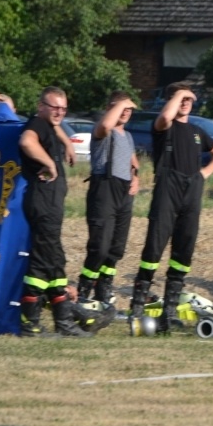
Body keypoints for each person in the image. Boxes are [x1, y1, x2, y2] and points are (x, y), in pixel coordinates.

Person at [128, 82, 213, 332]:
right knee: (154, 248)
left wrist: (204, 174)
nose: (185, 103)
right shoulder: (164, 127)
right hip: (167, 190)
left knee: (184, 250)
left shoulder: (197, 132)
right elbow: (164, 117)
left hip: (191, 191)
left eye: (189, 99)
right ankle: (137, 307)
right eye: (180, 99)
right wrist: (182, 92)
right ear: (171, 101)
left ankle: (169, 311)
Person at [18, 86, 89, 337]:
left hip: (51, 203)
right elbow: (26, 140)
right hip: (42, 201)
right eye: (54, 107)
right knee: (41, 264)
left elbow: (55, 125)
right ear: (40, 106)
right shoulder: (37, 123)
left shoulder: (48, 124)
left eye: (63, 108)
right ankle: (30, 325)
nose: (59, 112)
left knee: (55, 261)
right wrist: (48, 162)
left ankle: (64, 322)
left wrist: (67, 143)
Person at [77, 90, 140, 304]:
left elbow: (134, 163)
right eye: (120, 107)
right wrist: (120, 104)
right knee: (100, 247)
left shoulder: (128, 136)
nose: (125, 111)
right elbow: (105, 126)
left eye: (129, 108)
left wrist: (135, 177)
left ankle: (103, 291)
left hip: (123, 193)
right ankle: (83, 291)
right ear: (109, 108)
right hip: (104, 187)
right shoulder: (103, 130)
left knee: (116, 248)